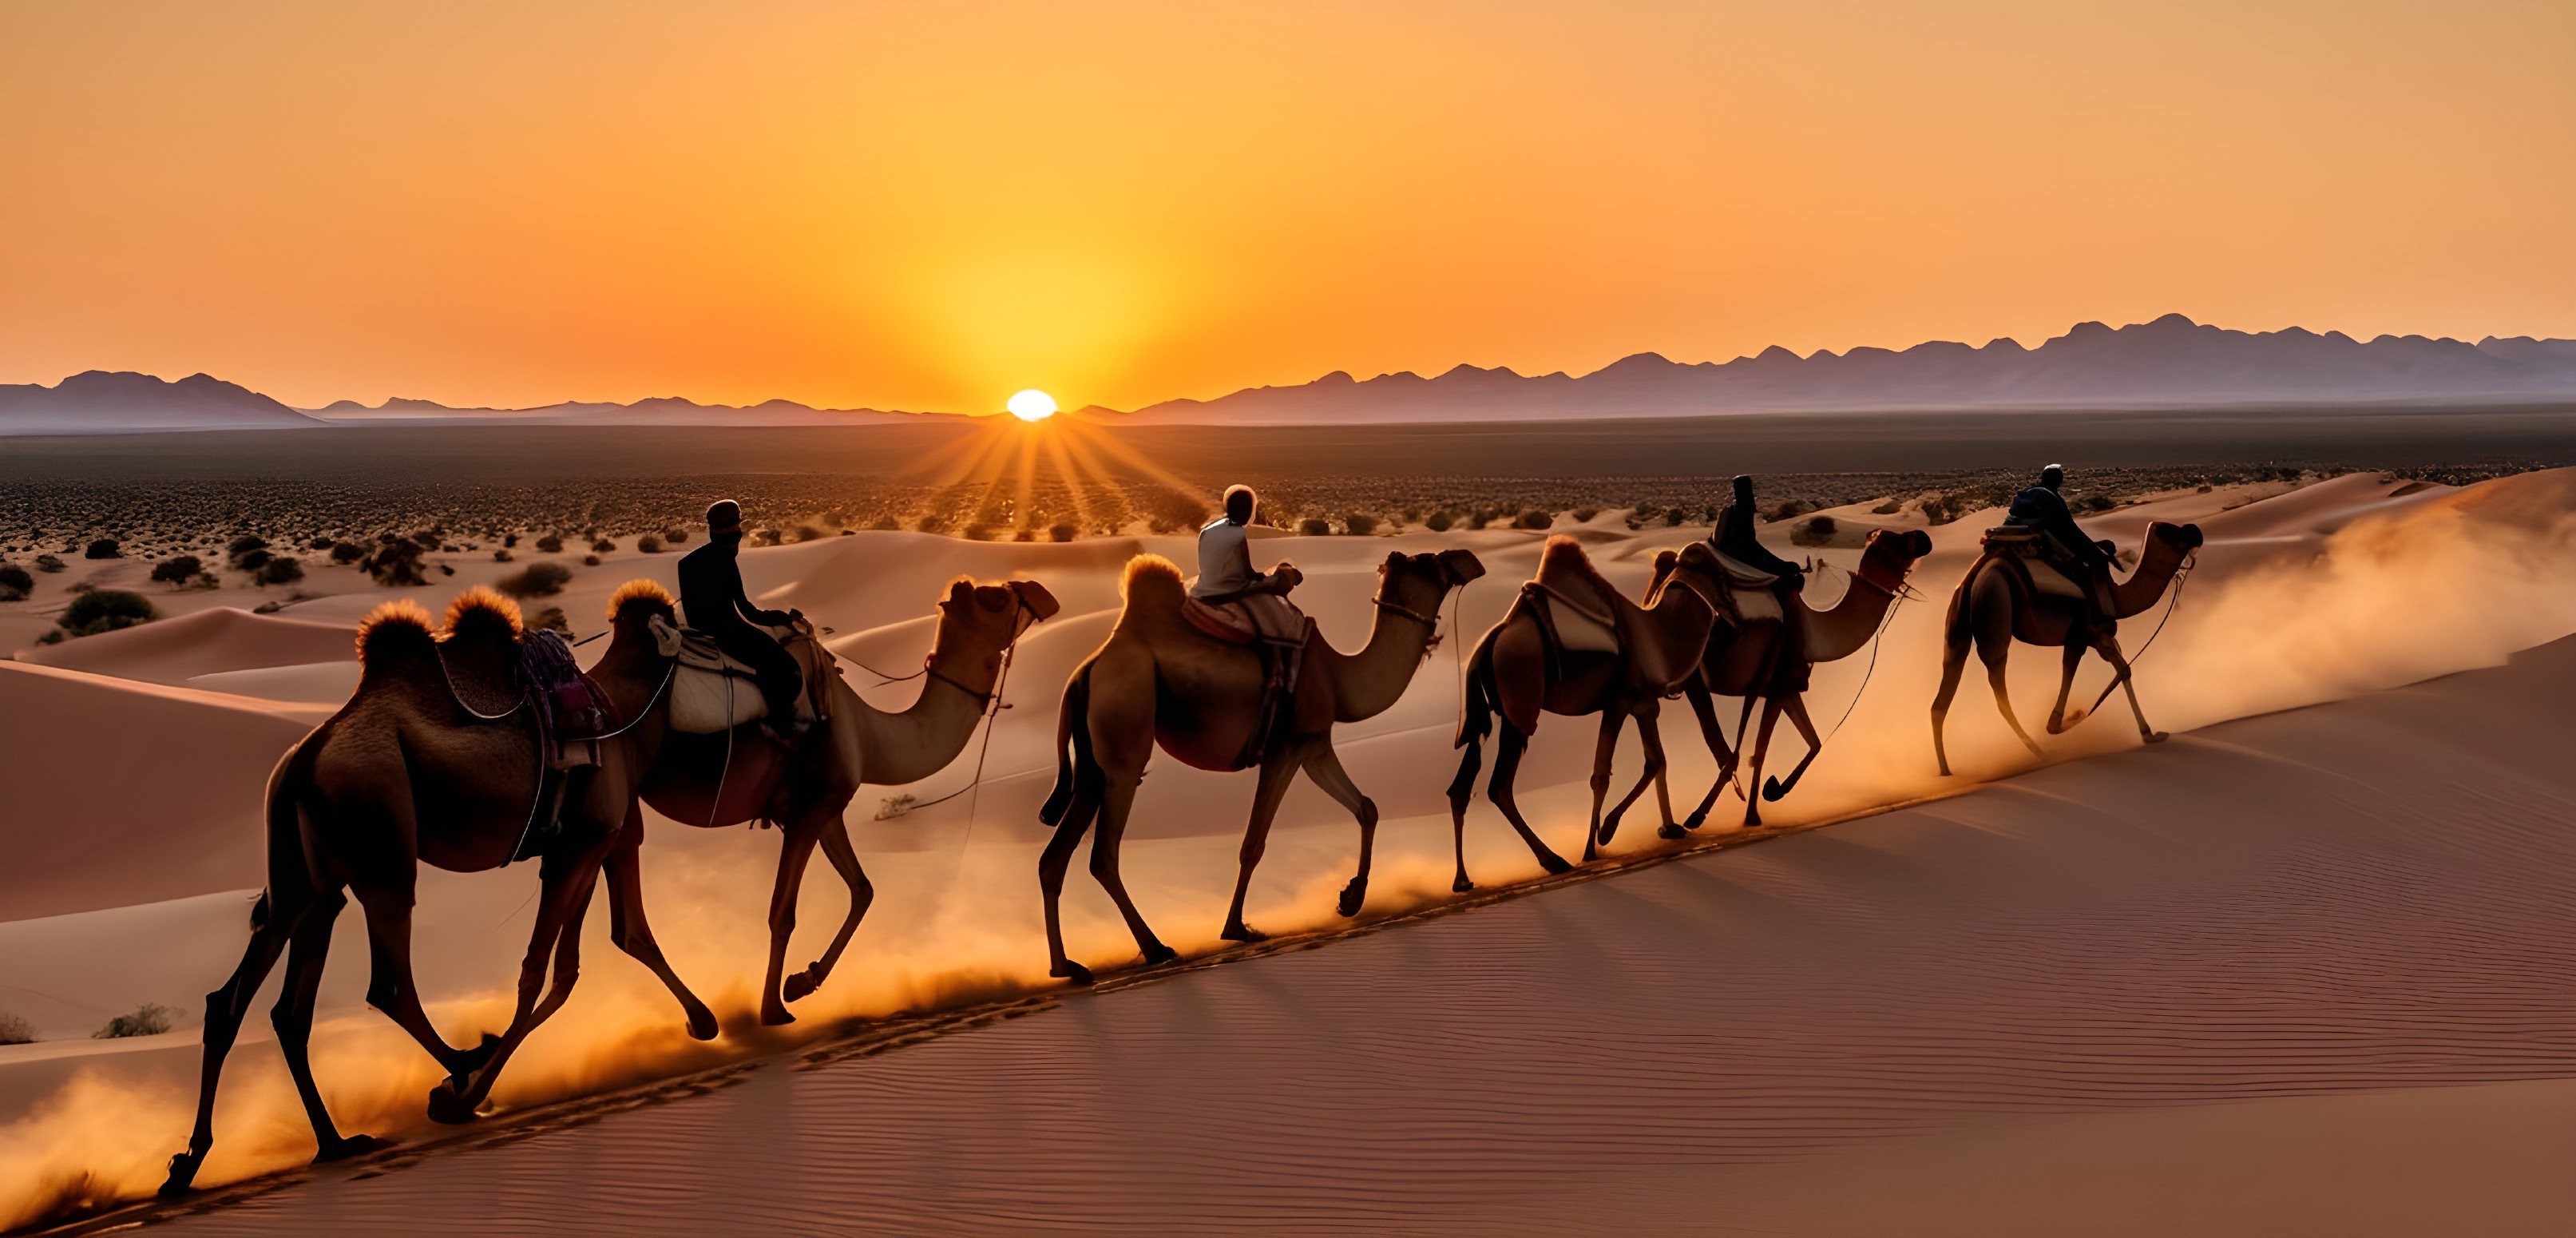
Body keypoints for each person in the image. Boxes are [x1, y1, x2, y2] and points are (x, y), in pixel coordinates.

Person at [678, 499, 806, 737]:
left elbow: (692, 614)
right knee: (782, 666)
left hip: (699, 633)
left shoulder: (686, 564)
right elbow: (748, 611)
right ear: (735, 532)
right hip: (729, 632)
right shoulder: (726, 560)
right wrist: (778, 617)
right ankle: (781, 722)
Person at [1192, 485, 1298, 605]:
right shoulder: (1237, 532)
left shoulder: (1207, 530)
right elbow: (1247, 572)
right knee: (1278, 582)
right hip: (1228, 590)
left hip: (1204, 587)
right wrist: (1269, 578)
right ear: (1245, 511)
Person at [2003, 463, 2113, 573]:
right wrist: (2096, 553)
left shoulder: (2027, 493)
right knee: (2083, 568)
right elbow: (2071, 531)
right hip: (2041, 540)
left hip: (2007, 535)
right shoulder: (2050, 498)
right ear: (2059, 481)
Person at [1710, 474, 1805, 590]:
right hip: (1741, 560)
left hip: (1734, 556)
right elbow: (1749, 547)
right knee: (1791, 578)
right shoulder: (1742, 513)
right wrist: (1783, 566)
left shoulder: (1730, 512)